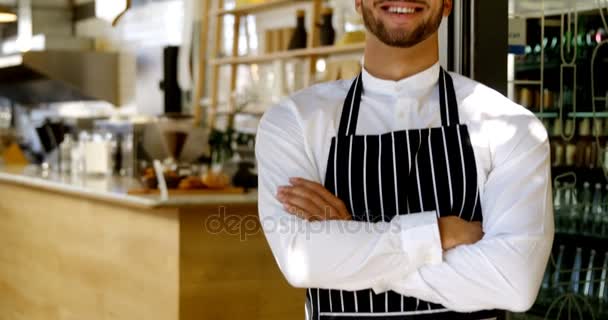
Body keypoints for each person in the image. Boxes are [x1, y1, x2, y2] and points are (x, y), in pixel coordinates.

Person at [255, 0, 554, 319]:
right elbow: (305, 262)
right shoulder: (294, 122)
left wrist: (351, 242)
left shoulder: (510, 126)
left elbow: (513, 283)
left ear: (448, 3)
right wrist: (437, 234)